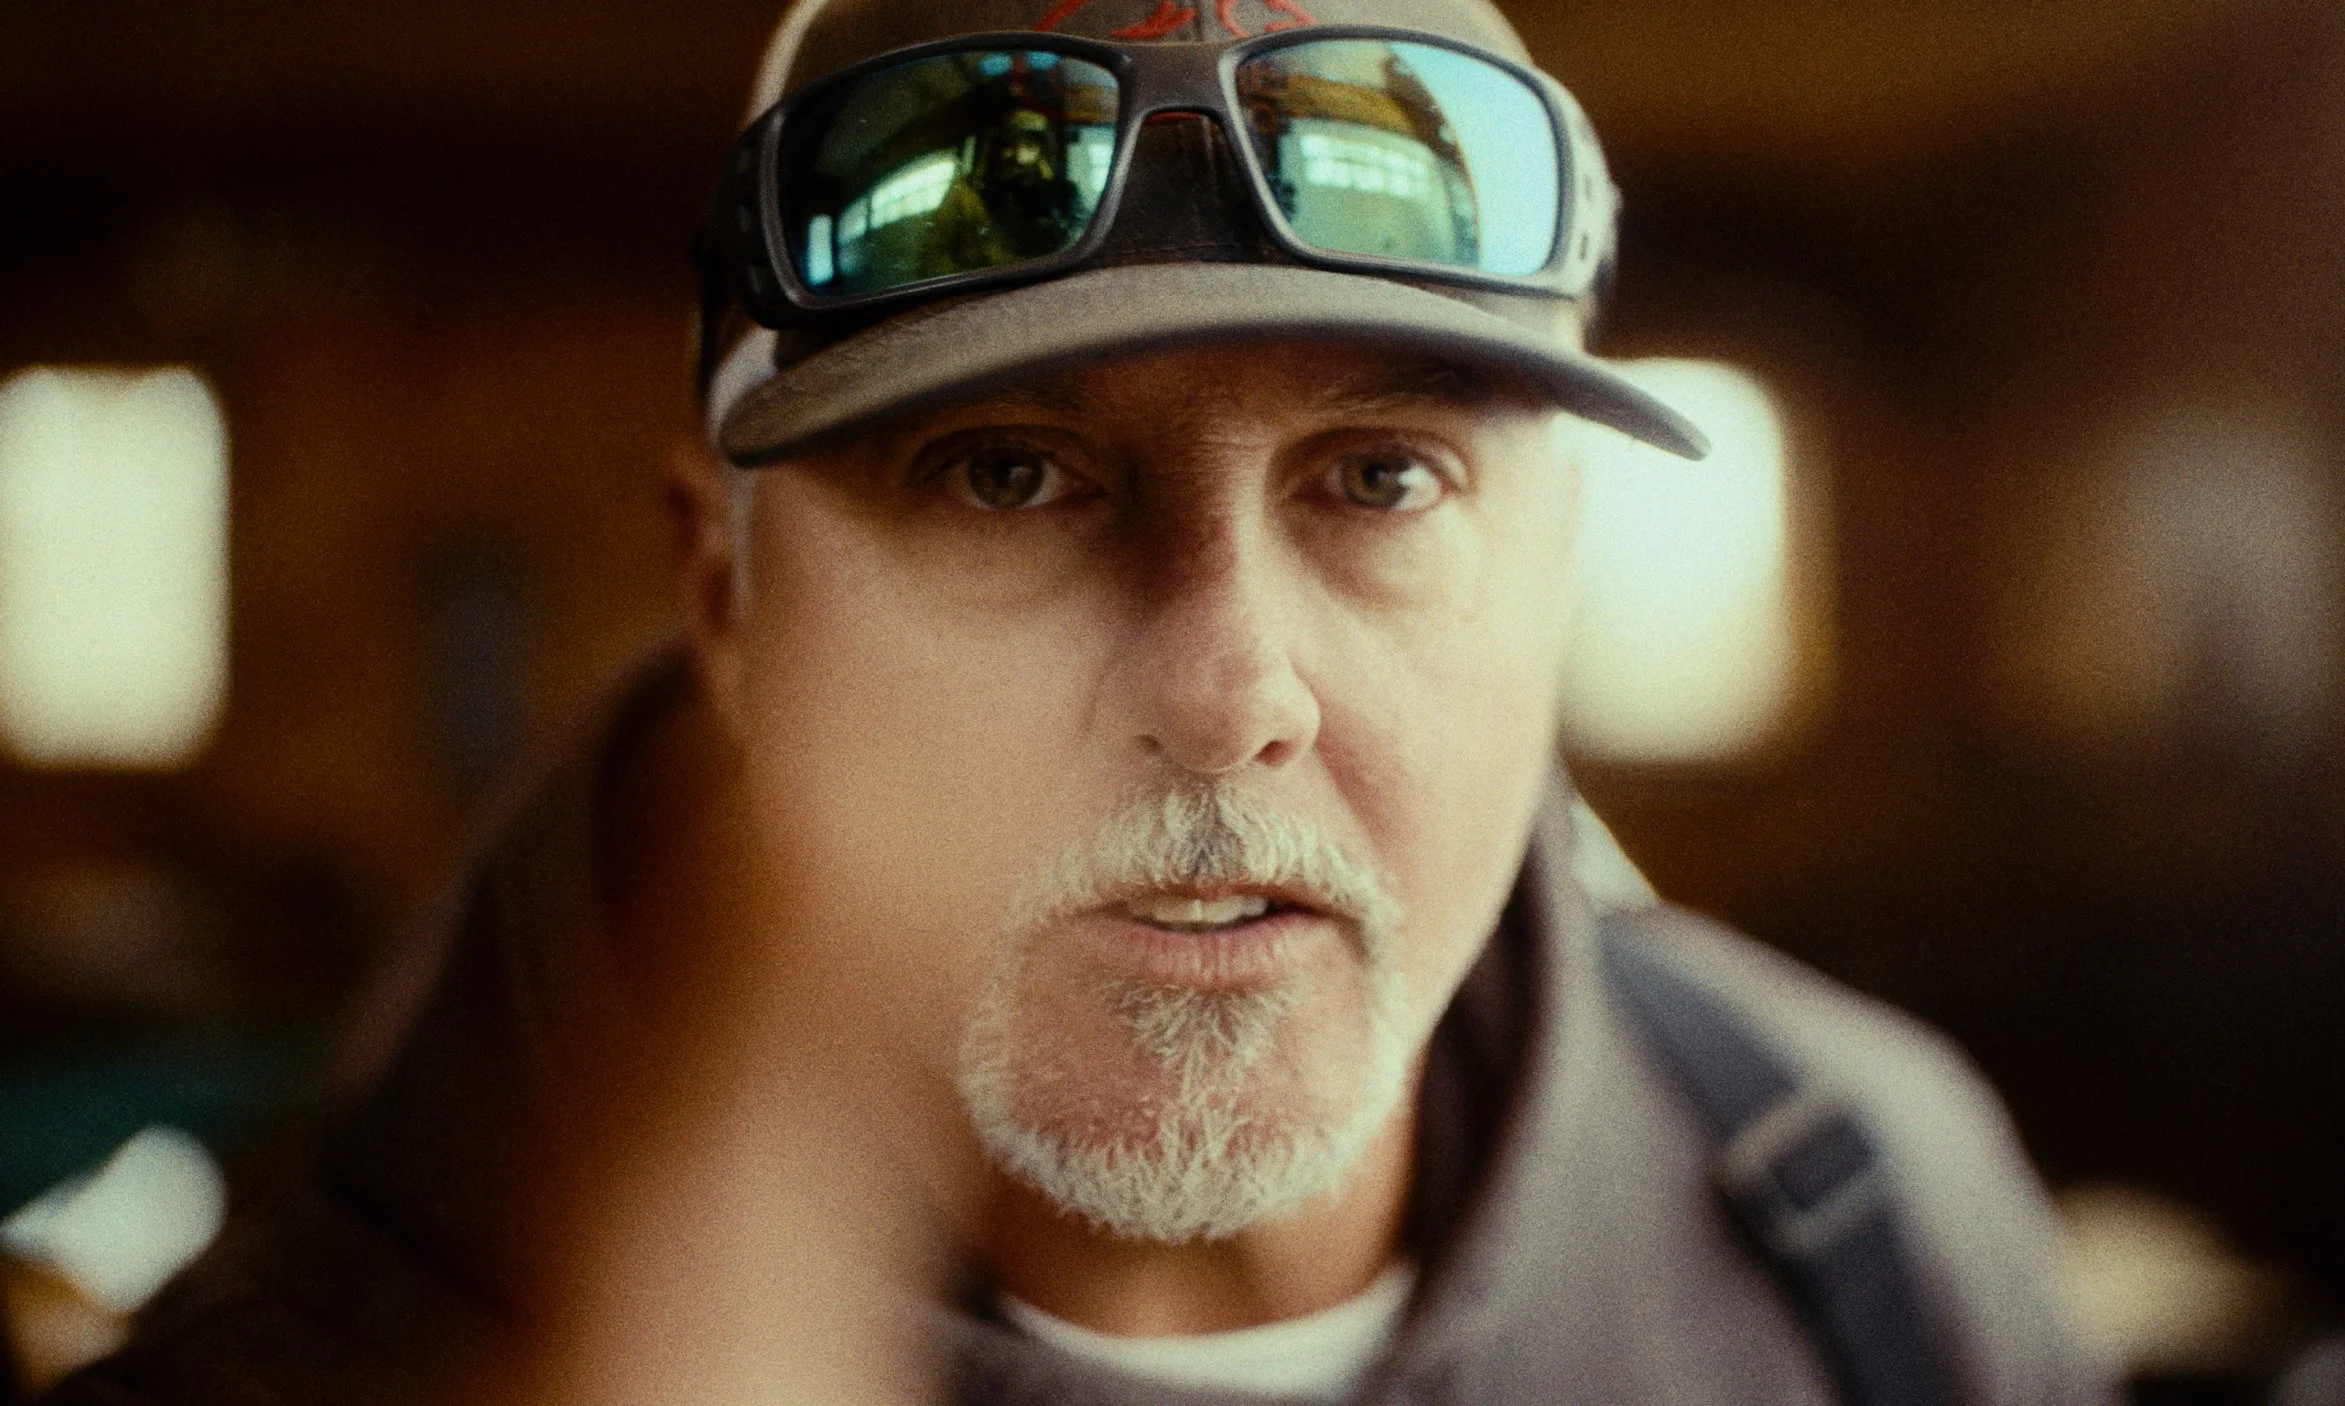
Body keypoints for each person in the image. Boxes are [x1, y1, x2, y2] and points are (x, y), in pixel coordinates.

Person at [50, 0, 2112, 1402]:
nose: (1227, 693)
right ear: (723, 600)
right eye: (1007, 472)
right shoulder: (320, 1358)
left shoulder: (1863, 1235)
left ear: (1551, 569)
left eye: (1379, 475)